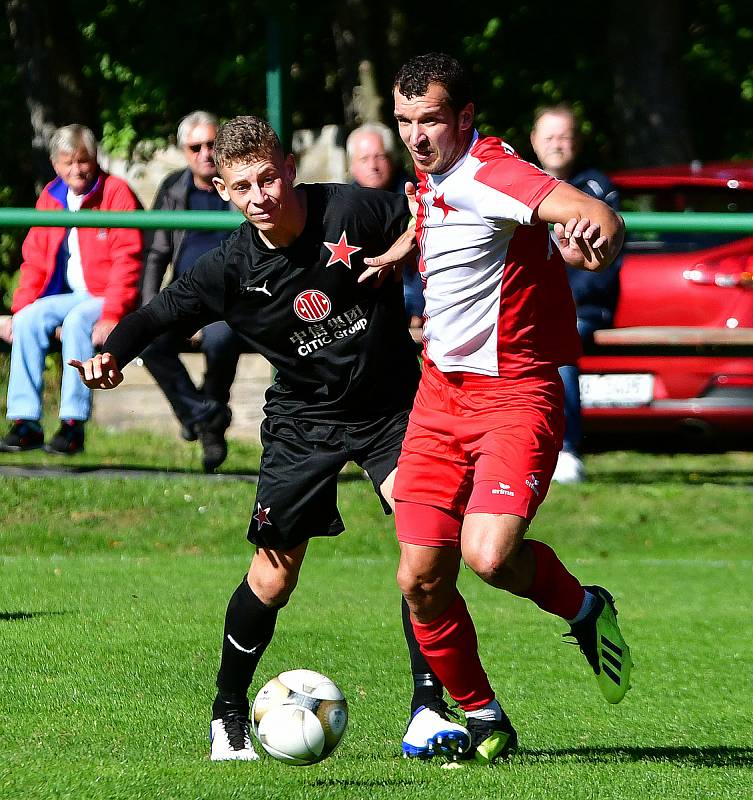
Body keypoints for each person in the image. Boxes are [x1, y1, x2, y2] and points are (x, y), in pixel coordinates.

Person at [70, 115, 469, 763]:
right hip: (302, 424)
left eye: (266, 178)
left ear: (287, 168)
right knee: (273, 577)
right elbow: (154, 314)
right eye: (241, 186)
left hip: (392, 410)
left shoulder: (352, 209)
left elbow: (434, 207)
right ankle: (227, 713)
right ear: (223, 191)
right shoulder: (227, 267)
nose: (259, 195)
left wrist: (407, 246)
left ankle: (429, 708)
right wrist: (112, 354)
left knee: (425, 548)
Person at [361, 52, 632, 764]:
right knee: (419, 577)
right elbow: (439, 212)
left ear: (464, 118)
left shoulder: (492, 171)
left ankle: (584, 609)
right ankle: (484, 717)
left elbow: (582, 211)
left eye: (430, 121)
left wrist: (597, 231)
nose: (416, 137)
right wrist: (398, 253)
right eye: (404, 121)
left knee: (486, 557)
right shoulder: (438, 173)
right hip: (437, 399)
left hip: (514, 396)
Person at [0, 124, 142, 455]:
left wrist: (112, 314)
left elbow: (128, 260)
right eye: (69, 162)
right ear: (55, 164)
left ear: (95, 160)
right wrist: (19, 309)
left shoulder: (116, 193)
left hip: (103, 296)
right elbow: (35, 258)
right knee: (29, 319)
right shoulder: (50, 197)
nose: (77, 170)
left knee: (79, 320)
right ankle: (25, 421)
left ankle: (73, 423)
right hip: (66, 294)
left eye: (84, 161)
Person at [140, 111, 242, 472]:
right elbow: (155, 255)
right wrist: (148, 312)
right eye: (195, 146)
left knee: (220, 339)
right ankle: (204, 415)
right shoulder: (174, 189)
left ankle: (207, 425)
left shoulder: (238, 183)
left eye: (212, 144)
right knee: (149, 341)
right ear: (184, 151)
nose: (205, 153)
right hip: (183, 295)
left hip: (231, 299)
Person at [530, 104, 622, 484]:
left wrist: (559, 300)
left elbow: (605, 264)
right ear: (534, 141)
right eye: (549, 137)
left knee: (559, 342)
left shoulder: (597, 191)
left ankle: (566, 449)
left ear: (577, 143)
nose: (557, 145)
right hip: (530, 306)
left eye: (564, 137)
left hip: (583, 306)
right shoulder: (517, 185)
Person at [347, 123, 425, 331]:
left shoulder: (417, 198)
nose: (373, 165)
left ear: (392, 158)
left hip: (415, 305)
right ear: (352, 165)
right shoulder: (341, 209)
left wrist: (419, 309)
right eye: (364, 159)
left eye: (379, 156)